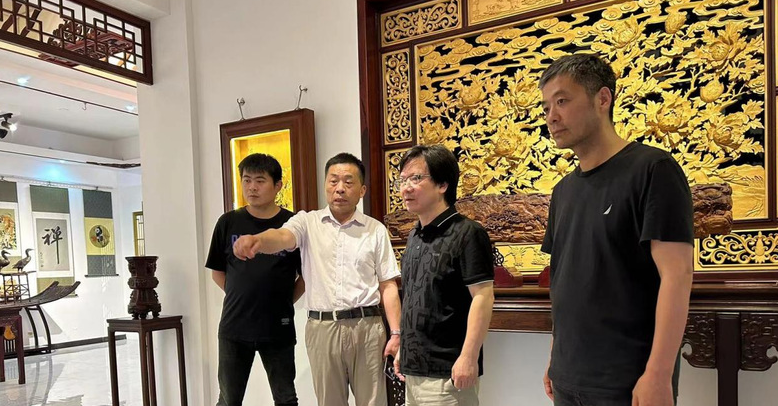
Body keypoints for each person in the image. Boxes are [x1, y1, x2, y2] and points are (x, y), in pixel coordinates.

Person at [539, 53, 694, 406]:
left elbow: (678, 275)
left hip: (627, 379)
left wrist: (658, 374)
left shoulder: (653, 169)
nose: (551, 116)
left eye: (562, 101)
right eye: (546, 107)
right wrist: (554, 356)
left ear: (603, 99)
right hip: (568, 376)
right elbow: (565, 283)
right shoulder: (563, 191)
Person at [233, 152, 402, 406]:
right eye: (333, 181)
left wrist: (396, 333)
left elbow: (388, 285)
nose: (340, 188)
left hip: (367, 327)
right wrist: (258, 240)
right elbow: (282, 236)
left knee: (373, 402)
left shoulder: (375, 229)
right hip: (323, 328)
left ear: (362, 190)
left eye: (348, 182)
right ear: (325, 185)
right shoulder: (307, 222)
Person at [393, 145, 494, 406]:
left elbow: (483, 297)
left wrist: (469, 357)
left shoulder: (468, 233)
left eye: (416, 178)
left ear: (442, 185)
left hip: (447, 374)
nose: (406, 188)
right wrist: (404, 347)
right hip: (413, 371)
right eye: (402, 180)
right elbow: (415, 298)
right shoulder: (415, 235)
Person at [206, 153, 304, 406]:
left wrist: (283, 301)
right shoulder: (228, 222)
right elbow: (217, 271)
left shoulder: (292, 225)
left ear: (278, 185)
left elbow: (306, 276)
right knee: (228, 399)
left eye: (260, 181)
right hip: (234, 327)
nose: (252, 187)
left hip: (278, 327)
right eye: (246, 180)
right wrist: (241, 296)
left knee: (286, 398)